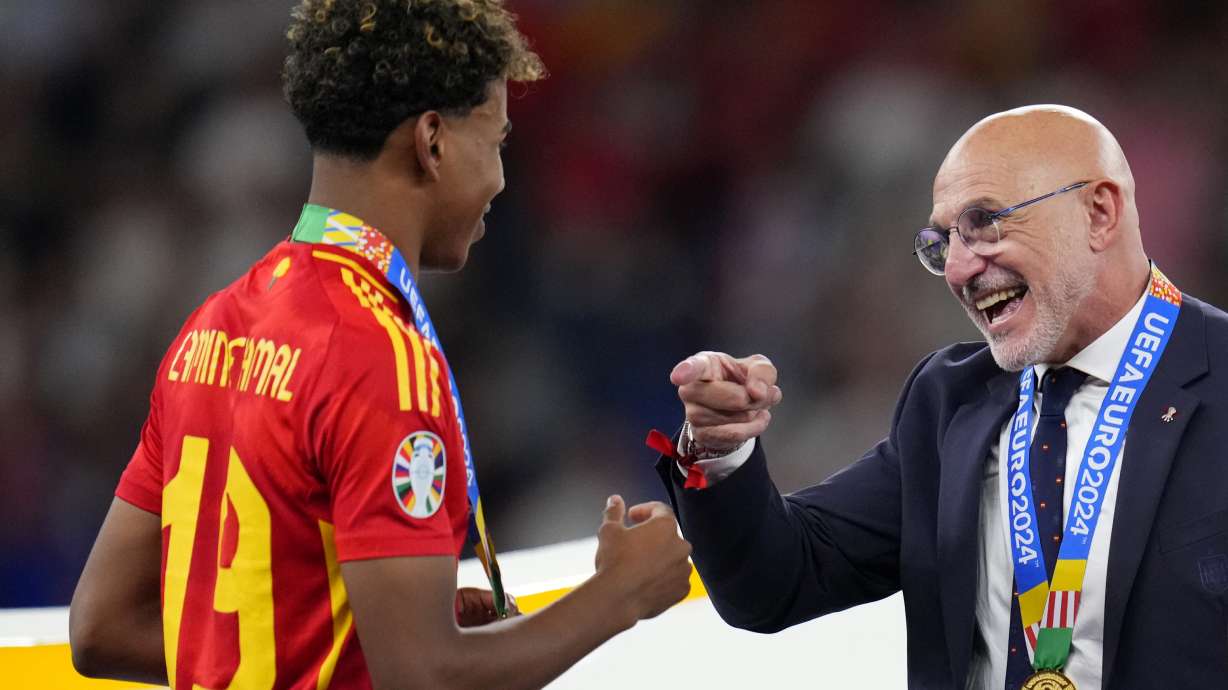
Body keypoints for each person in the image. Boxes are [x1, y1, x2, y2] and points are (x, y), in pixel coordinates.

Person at [68, 2, 693, 688]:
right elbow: (422, 676)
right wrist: (619, 596)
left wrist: (345, 638)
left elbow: (100, 628)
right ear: (432, 139)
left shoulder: (212, 327)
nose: (500, 181)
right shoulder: (380, 358)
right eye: (496, 142)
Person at [658, 105, 1228, 689]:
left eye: (986, 222)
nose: (957, 267)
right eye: (942, 241)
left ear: (1099, 213)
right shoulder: (950, 401)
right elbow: (770, 585)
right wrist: (716, 449)